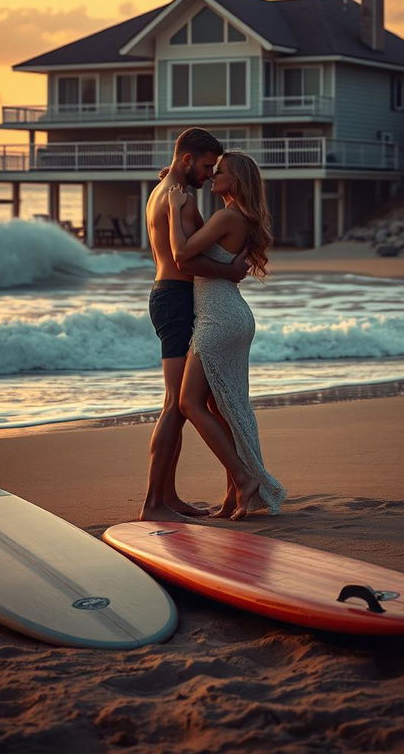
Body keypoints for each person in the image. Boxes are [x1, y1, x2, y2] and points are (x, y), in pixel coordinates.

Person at [168, 151, 286, 520]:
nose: (214, 176)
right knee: (227, 410)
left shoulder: (227, 216)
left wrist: (173, 208)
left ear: (235, 180)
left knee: (189, 402)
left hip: (219, 318)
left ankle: (243, 478)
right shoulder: (241, 217)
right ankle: (235, 496)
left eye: (220, 172)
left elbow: (182, 253)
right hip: (231, 314)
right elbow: (215, 260)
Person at [142, 128, 250, 522]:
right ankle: (153, 503)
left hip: (172, 297)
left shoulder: (165, 190)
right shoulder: (180, 200)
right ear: (187, 159)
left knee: (182, 404)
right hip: (174, 299)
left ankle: (168, 497)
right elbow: (184, 260)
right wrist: (230, 271)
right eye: (206, 166)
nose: (208, 175)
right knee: (175, 404)